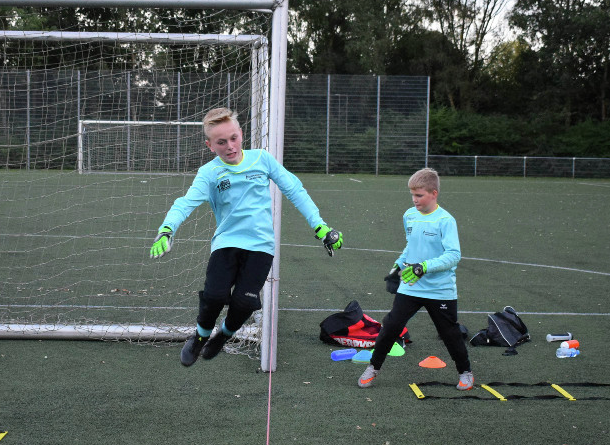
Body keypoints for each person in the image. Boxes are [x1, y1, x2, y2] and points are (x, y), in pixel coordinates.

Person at [150, 107, 343, 366]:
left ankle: (223, 335)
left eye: (233, 138)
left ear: (241, 134)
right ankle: (200, 336)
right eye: (221, 142)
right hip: (226, 243)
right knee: (214, 296)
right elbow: (185, 203)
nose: (230, 146)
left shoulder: (262, 159)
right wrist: (167, 229)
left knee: (244, 302)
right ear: (210, 146)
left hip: (261, 246)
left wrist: (320, 226)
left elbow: (294, 189)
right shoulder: (209, 172)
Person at [358, 167, 473, 389]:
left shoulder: (445, 220)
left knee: (449, 333)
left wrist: (424, 267)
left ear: (434, 193)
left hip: (440, 289)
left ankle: (465, 372)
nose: (414, 199)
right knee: (391, 325)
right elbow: (411, 246)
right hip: (411, 285)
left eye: (419, 195)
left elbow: (453, 256)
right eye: (412, 194)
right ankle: (373, 367)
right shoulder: (409, 216)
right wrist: (397, 266)